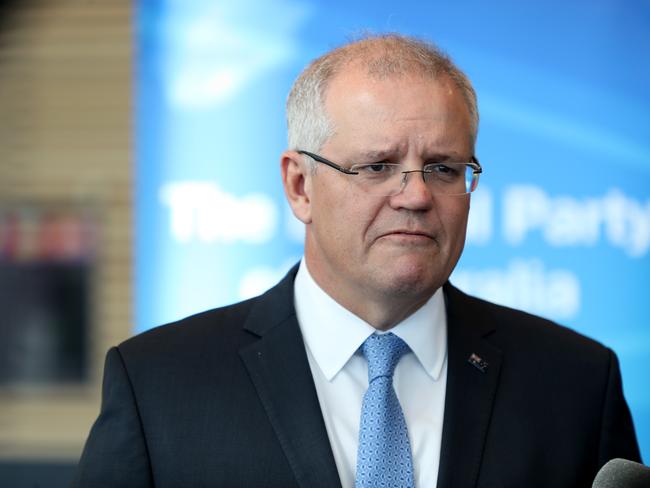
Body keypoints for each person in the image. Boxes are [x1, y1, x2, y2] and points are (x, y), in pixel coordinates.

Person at [73, 34, 640, 487]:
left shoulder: (577, 384)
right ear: (300, 186)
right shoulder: (158, 386)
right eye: (376, 166)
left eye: (443, 167)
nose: (416, 196)